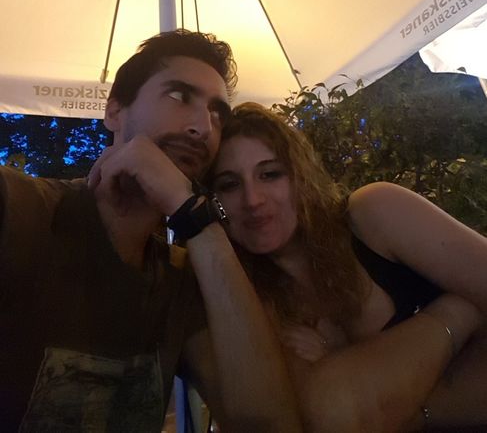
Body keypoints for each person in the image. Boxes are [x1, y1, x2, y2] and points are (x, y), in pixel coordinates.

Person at [0, 32, 302, 433]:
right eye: (179, 96)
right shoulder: (23, 209)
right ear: (114, 111)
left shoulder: (180, 284)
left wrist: (193, 214)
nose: (202, 128)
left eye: (217, 114)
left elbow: (268, 422)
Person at [211, 102, 487, 432]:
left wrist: (401, 409)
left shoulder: (373, 215)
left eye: (270, 174)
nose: (253, 200)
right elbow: (325, 413)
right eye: (229, 185)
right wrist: (459, 312)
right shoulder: (253, 305)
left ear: (300, 177)